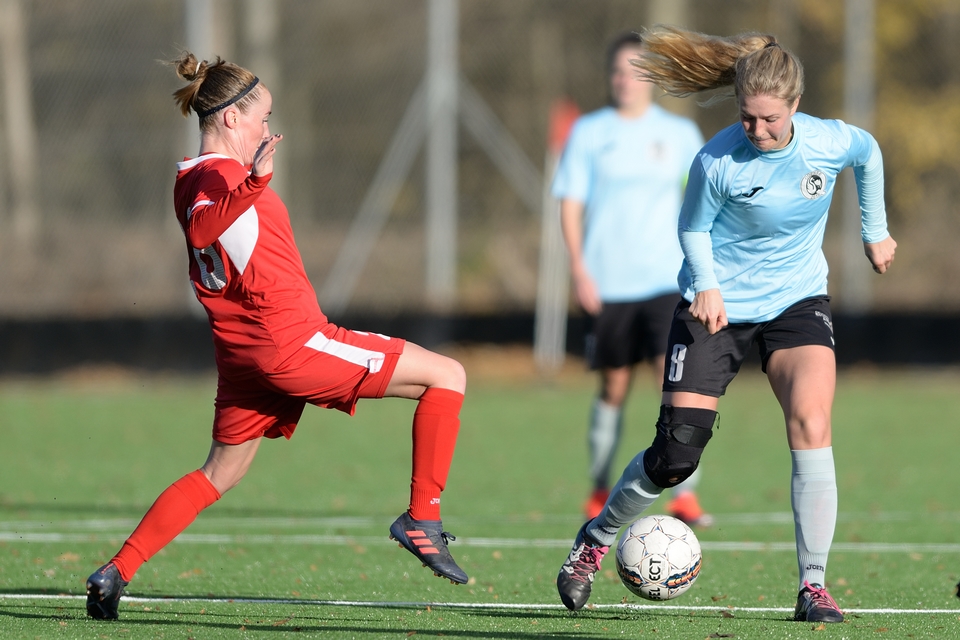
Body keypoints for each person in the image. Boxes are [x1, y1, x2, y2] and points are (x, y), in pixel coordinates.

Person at [85, 52, 469, 620]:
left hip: (244, 354)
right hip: (291, 343)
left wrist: (250, 183)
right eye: (261, 117)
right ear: (231, 119)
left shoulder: (193, 176)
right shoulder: (219, 177)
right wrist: (255, 182)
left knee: (220, 472)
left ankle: (116, 571)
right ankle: (423, 517)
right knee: (447, 376)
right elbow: (204, 227)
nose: (267, 128)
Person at [556, 26, 897, 624]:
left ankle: (813, 586)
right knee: (676, 456)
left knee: (812, 421)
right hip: (714, 307)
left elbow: (868, 153)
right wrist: (709, 285)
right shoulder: (717, 159)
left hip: (796, 302)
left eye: (770, 119)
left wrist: (875, 230)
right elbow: (691, 229)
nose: (757, 131)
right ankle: (596, 538)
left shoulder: (827, 141)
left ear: (795, 105)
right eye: (747, 118)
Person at [552, 32, 709, 525]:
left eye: (636, 71)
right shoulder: (589, 132)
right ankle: (600, 487)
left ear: (653, 78)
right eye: (618, 71)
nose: (626, 80)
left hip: (668, 279)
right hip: (608, 283)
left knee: (675, 380)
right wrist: (579, 270)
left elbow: (703, 199)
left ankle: (684, 493)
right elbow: (570, 203)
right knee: (614, 386)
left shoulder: (680, 133)